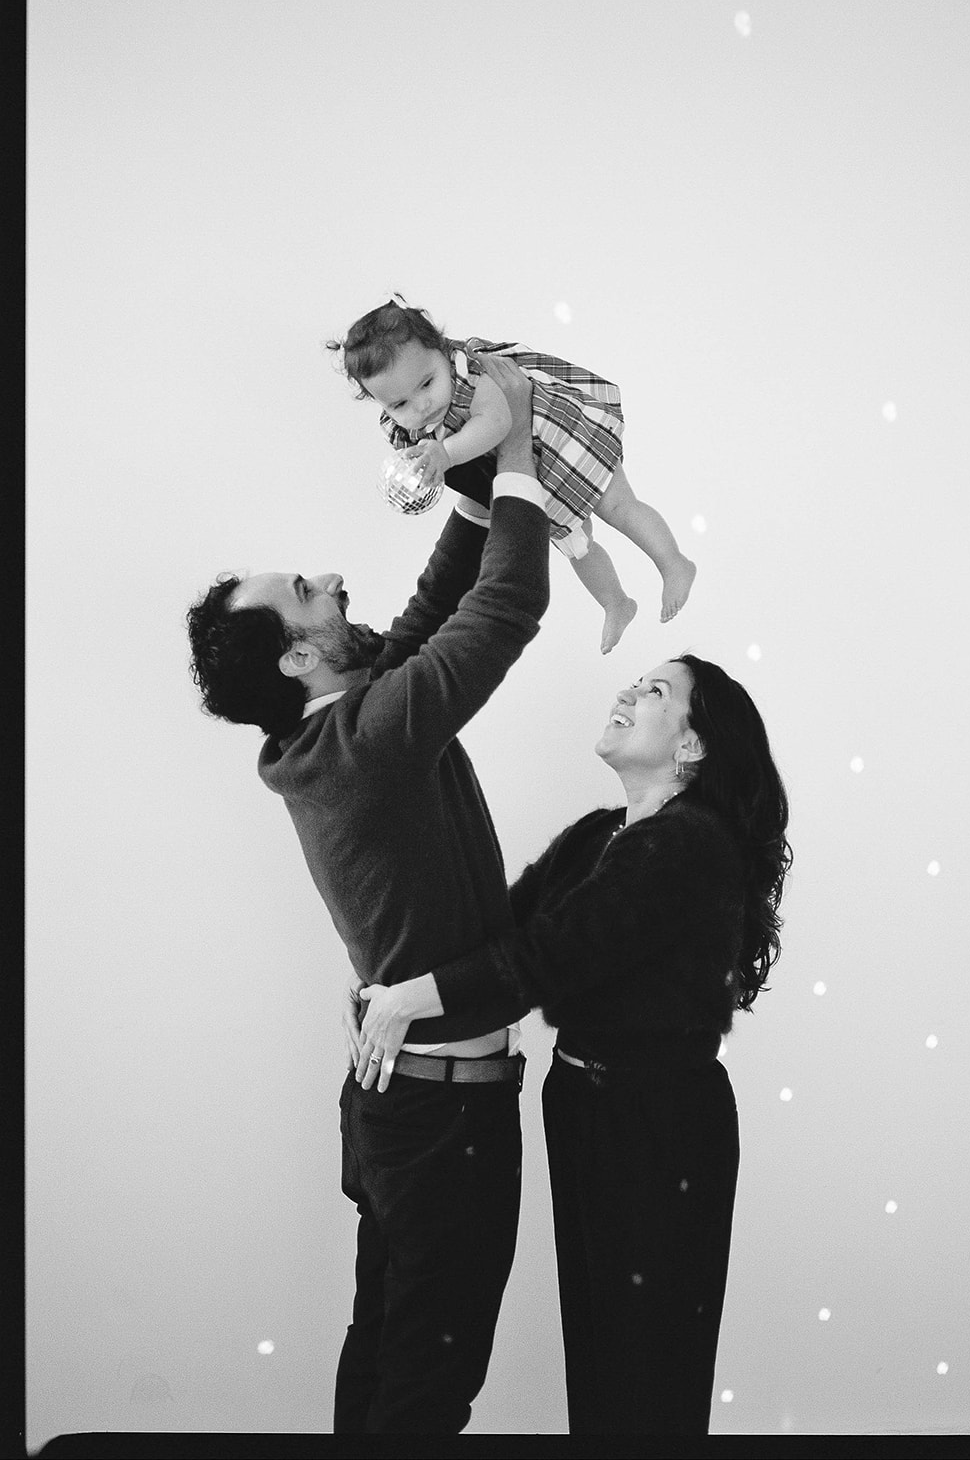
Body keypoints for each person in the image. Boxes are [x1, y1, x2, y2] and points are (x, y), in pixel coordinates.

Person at [184, 358, 549, 1435]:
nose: (335, 578)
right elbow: (509, 602)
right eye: (311, 592)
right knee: (427, 1380)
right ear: (299, 655)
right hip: (438, 1116)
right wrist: (520, 440)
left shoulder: (342, 724)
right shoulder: (366, 745)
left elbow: (445, 599)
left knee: (388, 1341)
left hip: (410, 1105)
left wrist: (476, 474)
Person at [345, 653, 792, 1435]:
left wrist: (412, 999)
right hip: (584, 1104)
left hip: (659, 1122)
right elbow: (502, 930)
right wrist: (385, 980)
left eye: (657, 692)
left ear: (692, 746)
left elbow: (548, 956)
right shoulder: (600, 835)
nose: (629, 691)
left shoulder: (690, 843)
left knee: (647, 1356)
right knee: (599, 1338)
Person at [326, 292, 697, 654]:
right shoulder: (413, 431)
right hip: (538, 478)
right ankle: (616, 603)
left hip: (564, 443)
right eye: (400, 403)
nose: (421, 405)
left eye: (426, 383)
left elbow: (496, 422)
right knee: (577, 546)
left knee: (619, 507)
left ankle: (673, 563)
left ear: (443, 351)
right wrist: (425, 470)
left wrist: (446, 454)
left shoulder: (472, 373)